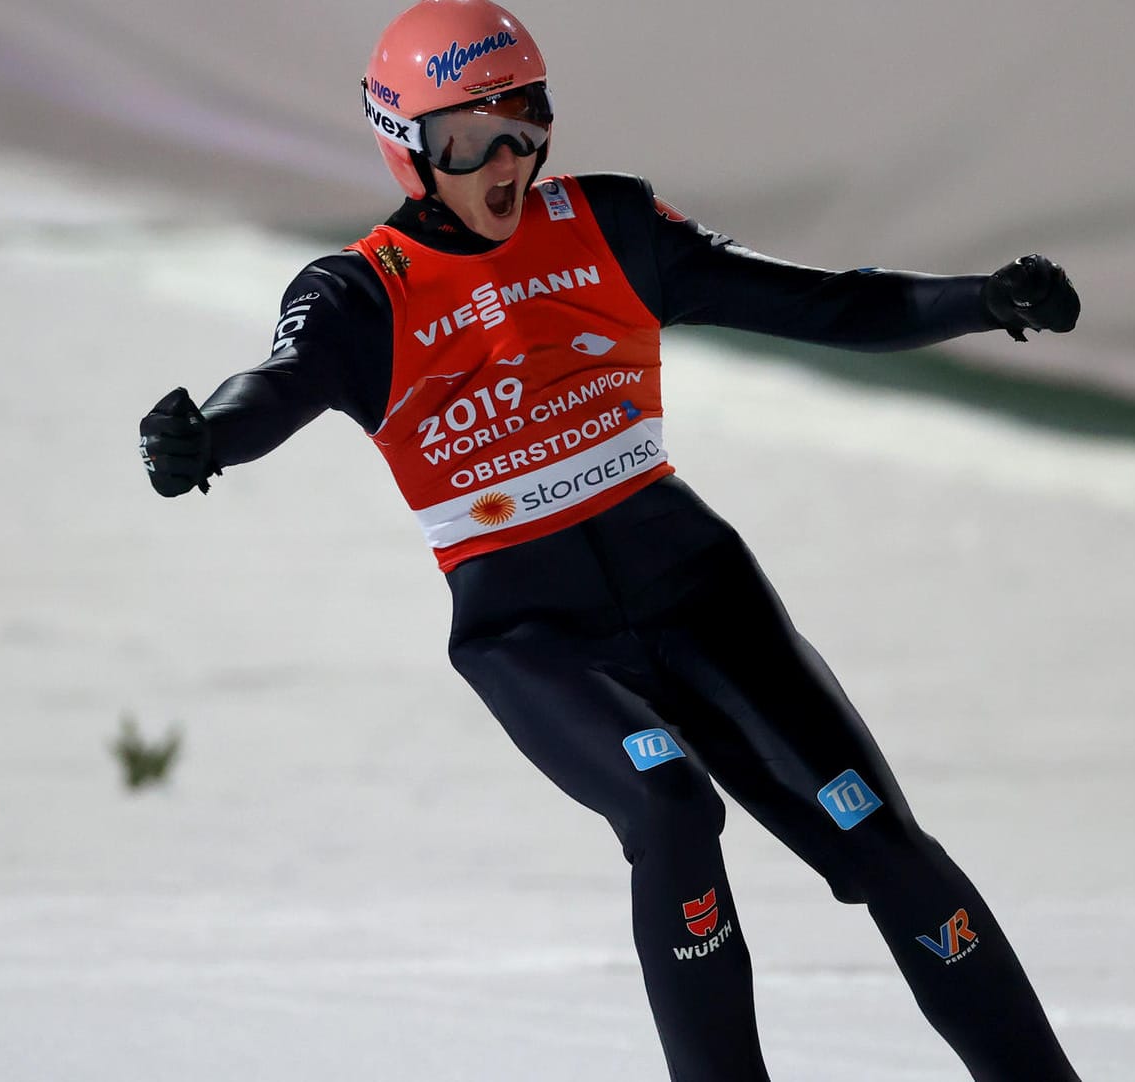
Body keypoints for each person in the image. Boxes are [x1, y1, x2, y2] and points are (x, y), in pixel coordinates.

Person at [139, 1, 1083, 1078]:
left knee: (881, 842)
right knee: (670, 804)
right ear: (406, 150)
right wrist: (206, 434)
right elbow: (278, 383)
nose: (506, 160)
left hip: (697, 591)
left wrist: (980, 298)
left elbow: (822, 305)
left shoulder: (610, 225)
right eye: (466, 138)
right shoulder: (361, 295)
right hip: (533, 633)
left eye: (525, 122)